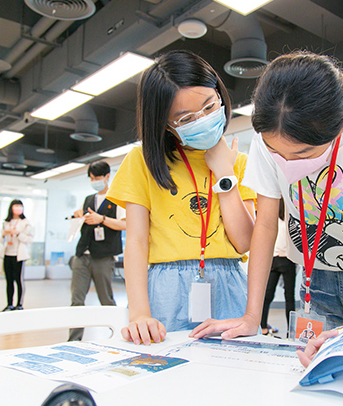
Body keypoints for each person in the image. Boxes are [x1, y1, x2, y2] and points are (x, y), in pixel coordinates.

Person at [191, 51, 343, 369]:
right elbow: (265, 227)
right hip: (318, 277)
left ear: (340, 124)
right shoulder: (266, 138)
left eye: (304, 153)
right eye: (278, 152)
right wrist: (252, 316)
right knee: (324, 379)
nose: (289, 163)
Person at [106, 50, 256, 345]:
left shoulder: (238, 161)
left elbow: (244, 241)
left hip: (228, 282)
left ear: (219, 94)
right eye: (186, 118)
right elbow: (135, 241)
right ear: (164, 123)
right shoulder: (142, 161)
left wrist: (224, 174)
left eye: (209, 106)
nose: (202, 119)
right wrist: (138, 313)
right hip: (165, 288)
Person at [68, 160, 126, 341]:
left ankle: (118, 335)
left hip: (103, 256)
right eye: (92, 178)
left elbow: (124, 224)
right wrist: (79, 216)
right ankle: (74, 340)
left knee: (106, 300)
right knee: (77, 300)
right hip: (82, 254)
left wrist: (102, 219)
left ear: (107, 177)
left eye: (97, 178)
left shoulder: (118, 198)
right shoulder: (88, 199)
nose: (94, 181)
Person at [260, 198, 298, 336]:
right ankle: (290, 331)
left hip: (273, 260)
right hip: (287, 261)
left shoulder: (271, 221)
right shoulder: (289, 221)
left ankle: (263, 326)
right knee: (290, 297)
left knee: (267, 296)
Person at [0, 199, 33, 311]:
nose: (18, 208)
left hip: (18, 255)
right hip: (7, 253)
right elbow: (0, 239)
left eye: (20, 206)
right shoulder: (6, 222)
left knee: (18, 280)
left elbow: (29, 239)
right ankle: (9, 304)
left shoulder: (25, 222)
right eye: (16, 206)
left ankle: (19, 304)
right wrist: (4, 234)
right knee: (9, 280)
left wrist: (18, 234)